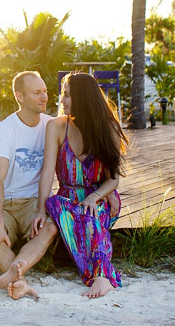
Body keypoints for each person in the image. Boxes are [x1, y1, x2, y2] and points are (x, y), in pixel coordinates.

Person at [33, 72, 125, 298]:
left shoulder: (108, 128)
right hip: (67, 199)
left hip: (98, 197)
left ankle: (102, 275)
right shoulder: (56, 127)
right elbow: (47, 172)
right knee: (68, 207)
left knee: (91, 212)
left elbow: (113, 178)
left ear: (83, 99)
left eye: (68, 96)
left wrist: (97, 196)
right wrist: (40, 210)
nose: (62, 101)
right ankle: (99, 273)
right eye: (63, 95)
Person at [0, 70, 57, 301]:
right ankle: (20, 281)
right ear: (19, 96)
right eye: (36, 92)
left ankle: (12, 271)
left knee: (51, 226)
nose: (44, 97)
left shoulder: (52, 125)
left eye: (45, 91)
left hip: (33, 203)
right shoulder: (4, 130)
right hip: (3, 203)